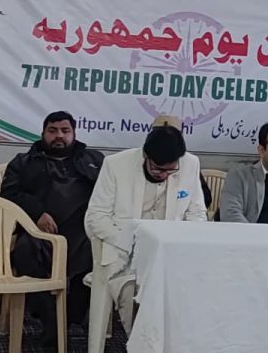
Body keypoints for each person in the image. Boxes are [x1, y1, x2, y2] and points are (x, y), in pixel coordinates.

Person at [85, 124, 207, 331]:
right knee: (134, 296)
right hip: (125, 254)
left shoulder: (190, 164)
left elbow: (197, 213)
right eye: (158, 169)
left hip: (170, 256)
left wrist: (183, 244)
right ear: (145, 156)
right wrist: (130, 242)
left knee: (193, 292)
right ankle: (142, 342)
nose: (164, 175)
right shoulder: (116, 165)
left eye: (171, 170)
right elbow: (95, 217)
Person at [0, 111, 104, 342]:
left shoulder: (94, 161)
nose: (59, 136)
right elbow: (8, 194)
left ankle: (71, 317)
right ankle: (49, 319)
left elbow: (110, 194)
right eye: (53, 130)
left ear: (74, 133)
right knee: (25, 252)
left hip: (83, 230)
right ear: (43, 133)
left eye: (65, 131)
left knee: (98, 253)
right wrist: (36, 213)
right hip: (38, 232)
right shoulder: (23, 162)